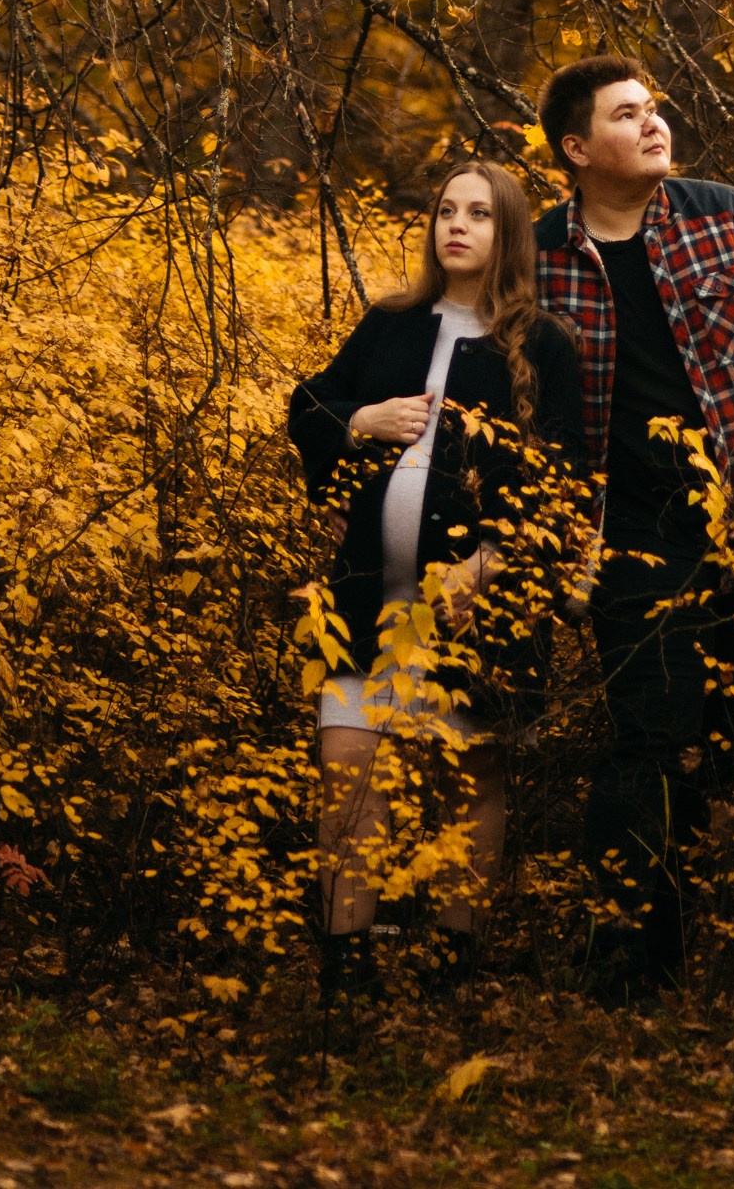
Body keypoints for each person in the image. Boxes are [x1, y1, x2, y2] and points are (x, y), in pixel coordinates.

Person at [533, 54, 734, 1002]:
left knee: (727, 737)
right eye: (628, 115)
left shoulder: (733, 215)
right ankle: (632, 964)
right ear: (579, 149)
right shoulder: (540, 253)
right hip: (626, 532)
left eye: (655, 108)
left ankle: (702, 931)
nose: (654, 124)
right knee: (649, 739)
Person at [289, 158, 586, 1004]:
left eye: (480, 214)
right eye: (447, 210)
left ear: (509, 234)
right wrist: (359, 421)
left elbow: (563, 484)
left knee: (469, 779)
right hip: (362, 601)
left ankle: (457, 964)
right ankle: (347, 965)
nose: (457, 225)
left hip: (469, 613)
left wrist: (493, 562)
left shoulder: (543, 343)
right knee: (349, 771)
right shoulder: (390, 324)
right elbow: (306, 406)